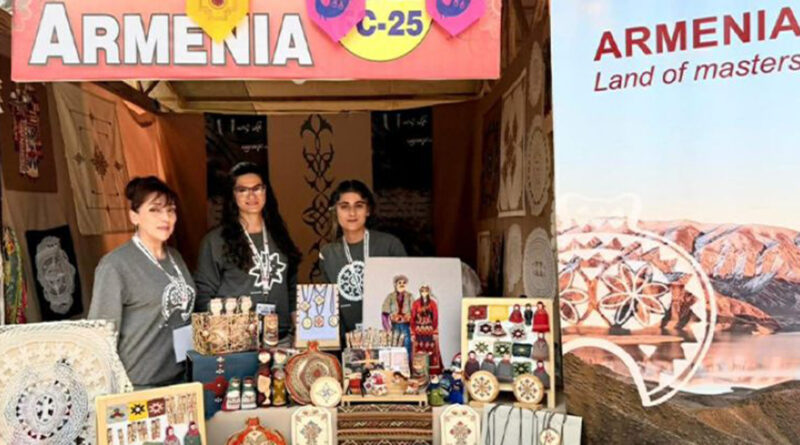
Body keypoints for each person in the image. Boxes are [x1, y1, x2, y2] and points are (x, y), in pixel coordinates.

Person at [89, 177, 195, 388]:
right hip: (139, 384)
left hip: (182, 378)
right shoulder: (115, 265)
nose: (165, 217)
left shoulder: (175, 257)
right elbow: (99, 335)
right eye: (155, 210)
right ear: (134, 216)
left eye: (171, 210)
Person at [195, 162, 300, 344]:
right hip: (236, 341)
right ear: (232, 195)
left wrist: (299, 328)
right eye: (242, 190)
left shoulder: (279, 234)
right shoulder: (215, 240)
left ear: (266, 191)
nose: (251, 196)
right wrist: (220, 335)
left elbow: (291, 286)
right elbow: (203, 294)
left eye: (257, 188)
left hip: (280, 337)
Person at [319, 180, 406, 337]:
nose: (352, 213)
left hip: (388, 338)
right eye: (344, 206)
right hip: (347, 341)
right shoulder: (328, 254)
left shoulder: (389, 245)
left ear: (368, 210)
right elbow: (328, 307)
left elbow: (405, 294)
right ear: (335, 211)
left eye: (359, 206)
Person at [410, 285, 443, 375]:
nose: (424, 293)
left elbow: (435, 318)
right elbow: (412, 319)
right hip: (418, 330)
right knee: (419, 350)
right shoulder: (416, 303)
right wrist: (412, 333)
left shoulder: (433, 303)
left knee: (431, 351)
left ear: (429, 292)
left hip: (429, 330)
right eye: (422, 291)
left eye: (426, 291)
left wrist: (435, 331)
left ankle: (433, 372)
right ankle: (419, 372)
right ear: (420, 292)